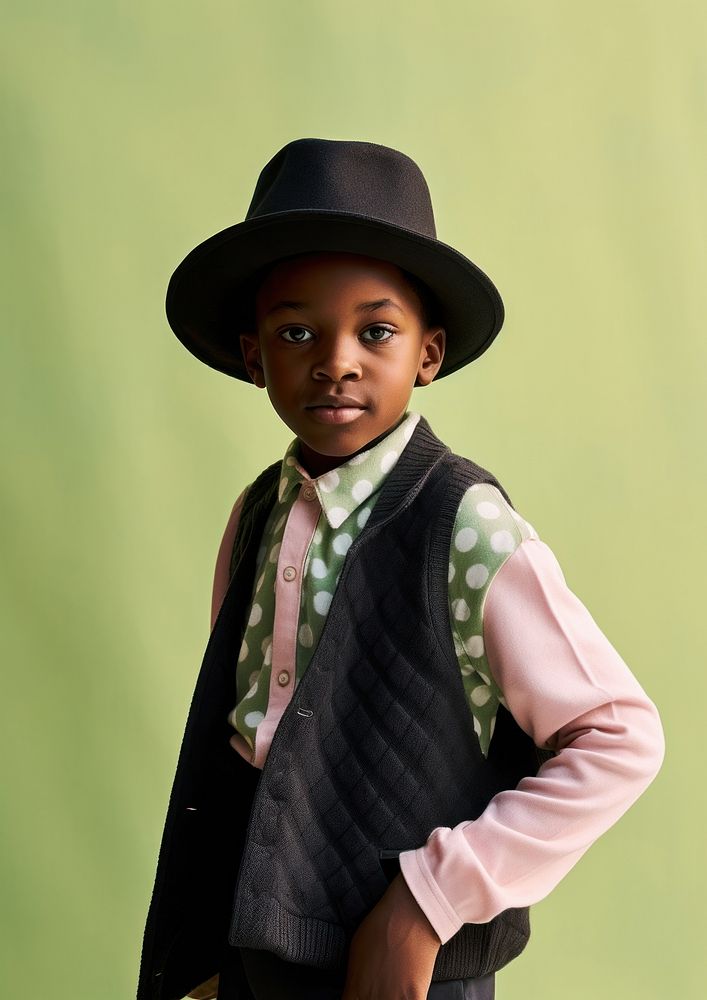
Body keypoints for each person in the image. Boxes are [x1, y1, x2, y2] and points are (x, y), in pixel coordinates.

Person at [137, 138, 665, 1000]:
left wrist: (425, 904)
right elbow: (251, 737)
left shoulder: (465, 526)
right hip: (254, 944)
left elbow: (620, 739)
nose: (335, 359)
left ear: (427, 353)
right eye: (296, 331)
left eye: (375, 331)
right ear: (251, 354)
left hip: (394, 969)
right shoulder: (257, 516)